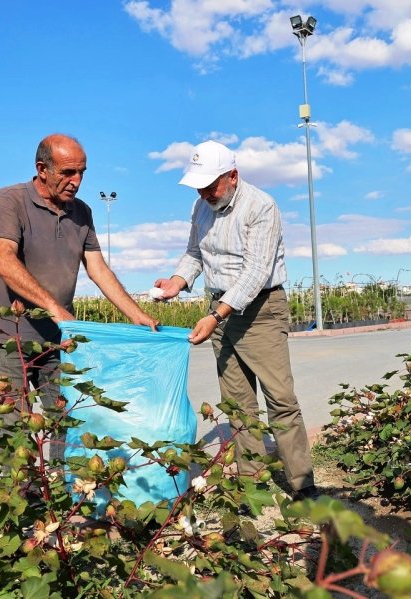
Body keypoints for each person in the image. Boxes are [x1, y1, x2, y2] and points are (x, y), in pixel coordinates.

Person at [0, 133, 159, 463]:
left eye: (82, 172)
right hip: (4, 337)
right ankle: (23, 503)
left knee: (65, 418)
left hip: (56, 337)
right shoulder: (9, 201)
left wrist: (136, 314)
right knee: (14, 427)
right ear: (42, 169)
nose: (77, 181)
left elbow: (98, 268)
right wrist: (55, 307)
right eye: (68, 173)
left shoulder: (82, 212)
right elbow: (3, 260)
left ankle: (60, 494)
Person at [153, 140, 317, 500]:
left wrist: (215, 315)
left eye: (211, 185)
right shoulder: (201, 206)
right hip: (221, 310)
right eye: (199, 185)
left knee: (280, 399)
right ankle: (252, 485)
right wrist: (177, 282)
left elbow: (256, 272)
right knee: (238, 405)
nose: (204, 192)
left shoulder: (261, 207)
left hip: (260, 310)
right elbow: (194, 253)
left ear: (233, 176)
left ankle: (303, 484)